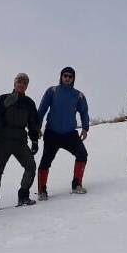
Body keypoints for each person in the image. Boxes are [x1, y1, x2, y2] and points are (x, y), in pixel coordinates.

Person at [0, 74, 40, 210]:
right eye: (19, 82)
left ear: (27, 86)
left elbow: (33, 124)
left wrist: (34, 141)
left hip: (20, 141)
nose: (21, 85)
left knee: (31, 166)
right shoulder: (3, 99)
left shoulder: (29, 103)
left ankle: (23, 196)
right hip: (2, 140)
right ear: (14, 84)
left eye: (24, 83)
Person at [36, 66, 90, 198]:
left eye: (70, 76)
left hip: (69, 133)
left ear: (73, 79)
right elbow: (42, 109)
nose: (67, 78)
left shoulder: (78, 95)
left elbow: (84, 112)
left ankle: (77, 184)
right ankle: (42, 191)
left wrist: (85, 128)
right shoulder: (52, 91)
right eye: (65, 76)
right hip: (52, 133)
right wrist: (37, 126)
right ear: (61, 77)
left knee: (82, 154)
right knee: (46, 161)